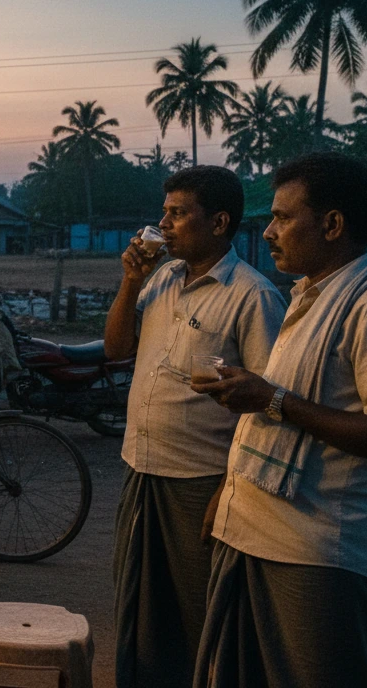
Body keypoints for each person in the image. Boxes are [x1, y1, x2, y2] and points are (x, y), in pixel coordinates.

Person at [190, 152, 367, 688]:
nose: (270, 231)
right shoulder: (309, 299)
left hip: (319, 553)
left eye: (282, 217)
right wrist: (228, 496)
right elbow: (274, 414)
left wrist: (273, 399)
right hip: (255, 532)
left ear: (332, 224)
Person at [103, 166, 286, 688]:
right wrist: (130, 279)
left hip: (201, 482)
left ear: (220, 222)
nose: (164, 223)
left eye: (179, 213)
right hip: (142, 470)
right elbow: (117, 349)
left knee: (196, 615)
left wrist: (230, 489)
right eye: (165, 212)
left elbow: (266, 405)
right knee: (139, 604)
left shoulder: (252, 297)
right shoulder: (160, 279)